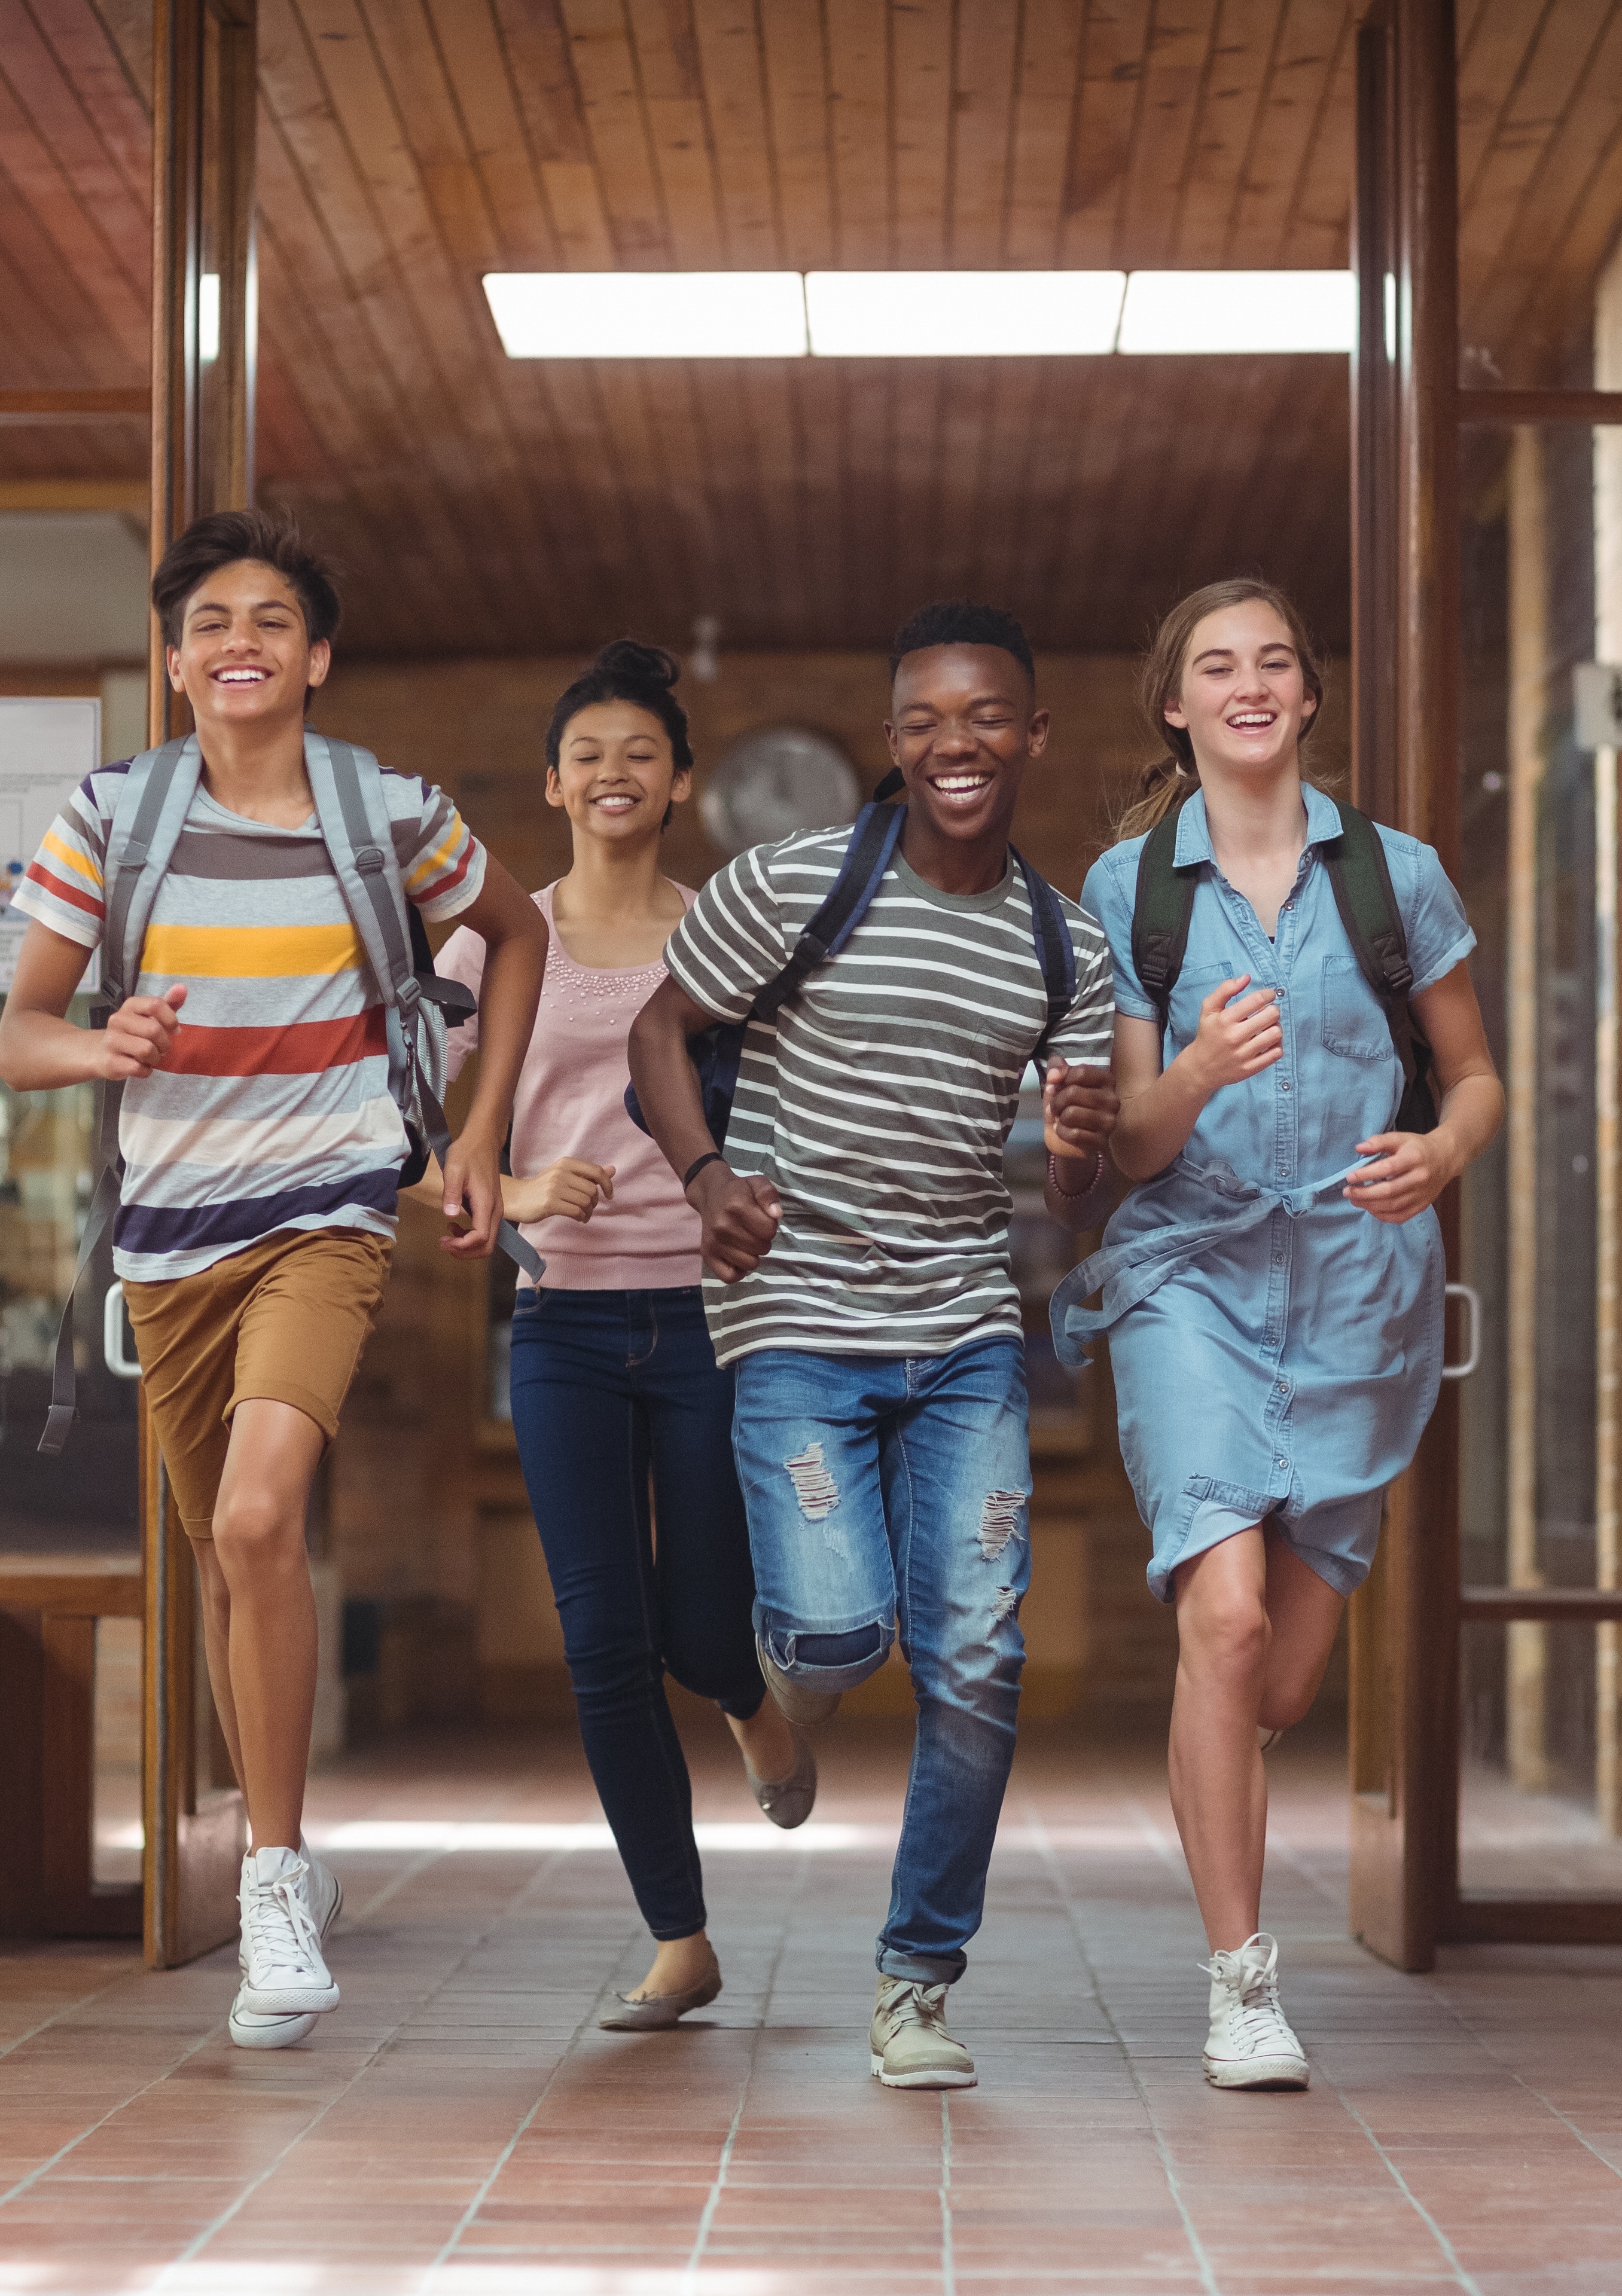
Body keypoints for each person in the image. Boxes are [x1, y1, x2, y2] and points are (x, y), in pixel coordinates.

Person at [0, 508, 546, 2051]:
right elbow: (15, 1031)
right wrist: (96, 1045)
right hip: (172, 1242)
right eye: (212, 624)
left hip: (329, 1211)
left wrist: (480, 1133)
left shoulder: (388, 811)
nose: (242, 644)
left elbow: (513, 937)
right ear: (176, 663)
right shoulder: (111, 818)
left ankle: (274, 1880)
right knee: (235, 1571)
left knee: (255, 1519)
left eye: (271, 622)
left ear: (319, 656)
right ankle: (284, 1852)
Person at [626, 599, 1120, 2092]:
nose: (953, 745)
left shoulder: (1064, 943)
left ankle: (917, 1982)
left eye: (984, 719)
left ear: (1030, 734)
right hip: (795, 1314)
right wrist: (707, 1178)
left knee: (977, 1657)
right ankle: (782, 1706)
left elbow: (1075, 1192)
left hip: (965, 1325)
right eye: (923, 722)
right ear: (895, 739)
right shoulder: (794, 883)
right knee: (841, 1632)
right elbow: (657, 1034)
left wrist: (1084, 1146)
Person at [1057, 576, 1503, 2092]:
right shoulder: (1132, 891)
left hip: (1361, 1290)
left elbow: (1477, 1077)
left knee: (1283, 1687)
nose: (1248, 685)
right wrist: (1192, 1070)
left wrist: (1439, 1156)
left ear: (1310, 698)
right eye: (1213, 667)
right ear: (1174, 706)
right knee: (1227, 1623)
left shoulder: (1394, 877)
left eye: (1276, 663)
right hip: (1192, 1270)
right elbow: (1128, 1145)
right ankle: (1242, 1984)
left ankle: (1232, 1869)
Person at [429, 639, 814, 2032]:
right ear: (551, 783)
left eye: (640, 753)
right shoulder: (497, 938)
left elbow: (787, 1113)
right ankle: (680, 1937)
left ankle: (745, 1698)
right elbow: (402, 1131)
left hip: (714, 1320)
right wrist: (507, 1184)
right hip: (562, 1327)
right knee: (601, 1635)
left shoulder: (728, 932)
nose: (612, 773)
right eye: (586, 753)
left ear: (683, 783)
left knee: (703, 1626)